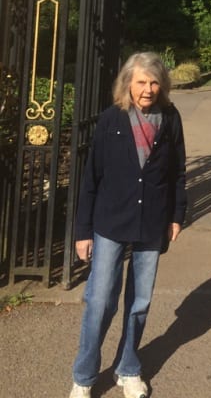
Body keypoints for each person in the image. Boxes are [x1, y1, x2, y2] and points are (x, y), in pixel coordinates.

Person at [69, 51, 187, 398]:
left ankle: (128, 367)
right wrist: (82, 232)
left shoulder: (170, 118)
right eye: (140, 82)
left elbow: (178, 171)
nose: (147, 89)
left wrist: (177, 214)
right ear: (128, 84)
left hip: (152, 221)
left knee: (140, 302)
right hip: (110, 221)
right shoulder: (111, 119)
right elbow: (91, 176)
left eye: (153, 82)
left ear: (161, 85)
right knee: (101, 300)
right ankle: (84, 375)